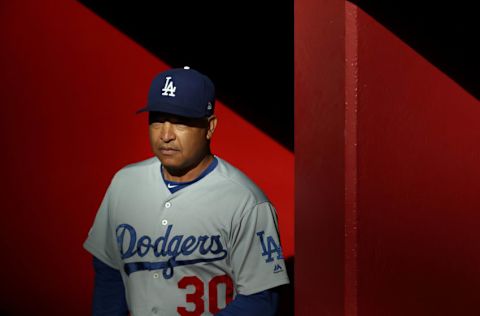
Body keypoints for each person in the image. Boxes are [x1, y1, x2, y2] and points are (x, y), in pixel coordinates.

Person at [83, 66, 290, 316]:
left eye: (181, 122)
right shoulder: (124, 183)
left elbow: (261, 300)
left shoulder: (245, 201)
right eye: (158, 120)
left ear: (210, 127)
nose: (166, 135)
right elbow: (109, 272)